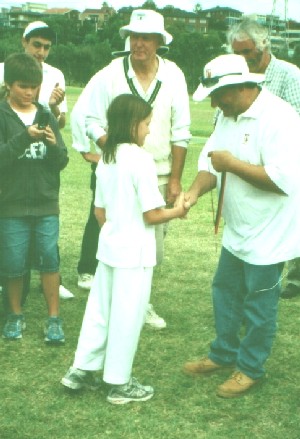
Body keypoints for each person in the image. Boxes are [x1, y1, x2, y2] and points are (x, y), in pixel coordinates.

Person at [182, 54, 300, 398]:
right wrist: (192, 193)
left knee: (259, 304)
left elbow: (282, 182)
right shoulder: (227, 116)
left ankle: (250, 368)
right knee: (225, 291)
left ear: (240, 87)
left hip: (270, 233)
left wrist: (232, 164)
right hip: (238, 229)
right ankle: (223, 354)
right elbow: (210, 163)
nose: (215, 103)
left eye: (219, 95)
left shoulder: (281, 119)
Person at [61, 94, 189, 404]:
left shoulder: (107, 156)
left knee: (99, 312)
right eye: (146, 124)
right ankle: (118, 383)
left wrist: (117, 232)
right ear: (133, 125)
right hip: (134, 255)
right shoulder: (140, 160)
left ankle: (81, 369)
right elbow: (152, 214)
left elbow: (100, 213)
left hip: (109, 251)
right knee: (127, 316)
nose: (148, 131)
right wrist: (179, 210)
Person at [71, 9, 191, 329]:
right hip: (118, 173)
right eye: (135, 36)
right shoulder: (111, 72)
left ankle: (141, 302)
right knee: (114, 238)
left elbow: (182, 131)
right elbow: (91, 118)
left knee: (153, 246)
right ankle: (112, 302)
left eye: (146, 38)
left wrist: (176, 179)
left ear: (159, 41)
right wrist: (110, 149)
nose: (139, 43)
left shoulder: (174, 74)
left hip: (161, 172)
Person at [227, 18, 300, 299]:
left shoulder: (289, 76)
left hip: (284, 166)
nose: (244, 59)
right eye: (238, 53)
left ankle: (286, 282)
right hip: (248, 167)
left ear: (263, 46)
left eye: (248, 52)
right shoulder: (236, 78)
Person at [0, 20, 73, 300]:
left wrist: (53, 108)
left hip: (39, 179)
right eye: (36, 45)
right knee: (12, 241)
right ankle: (12, 295)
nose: (41, 52)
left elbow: (59, 122)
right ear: (24, 42)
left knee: (42, 241)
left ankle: (47, 283)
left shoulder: (55, 74)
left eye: (46, 47)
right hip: (11, 181)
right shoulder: (5, 68)